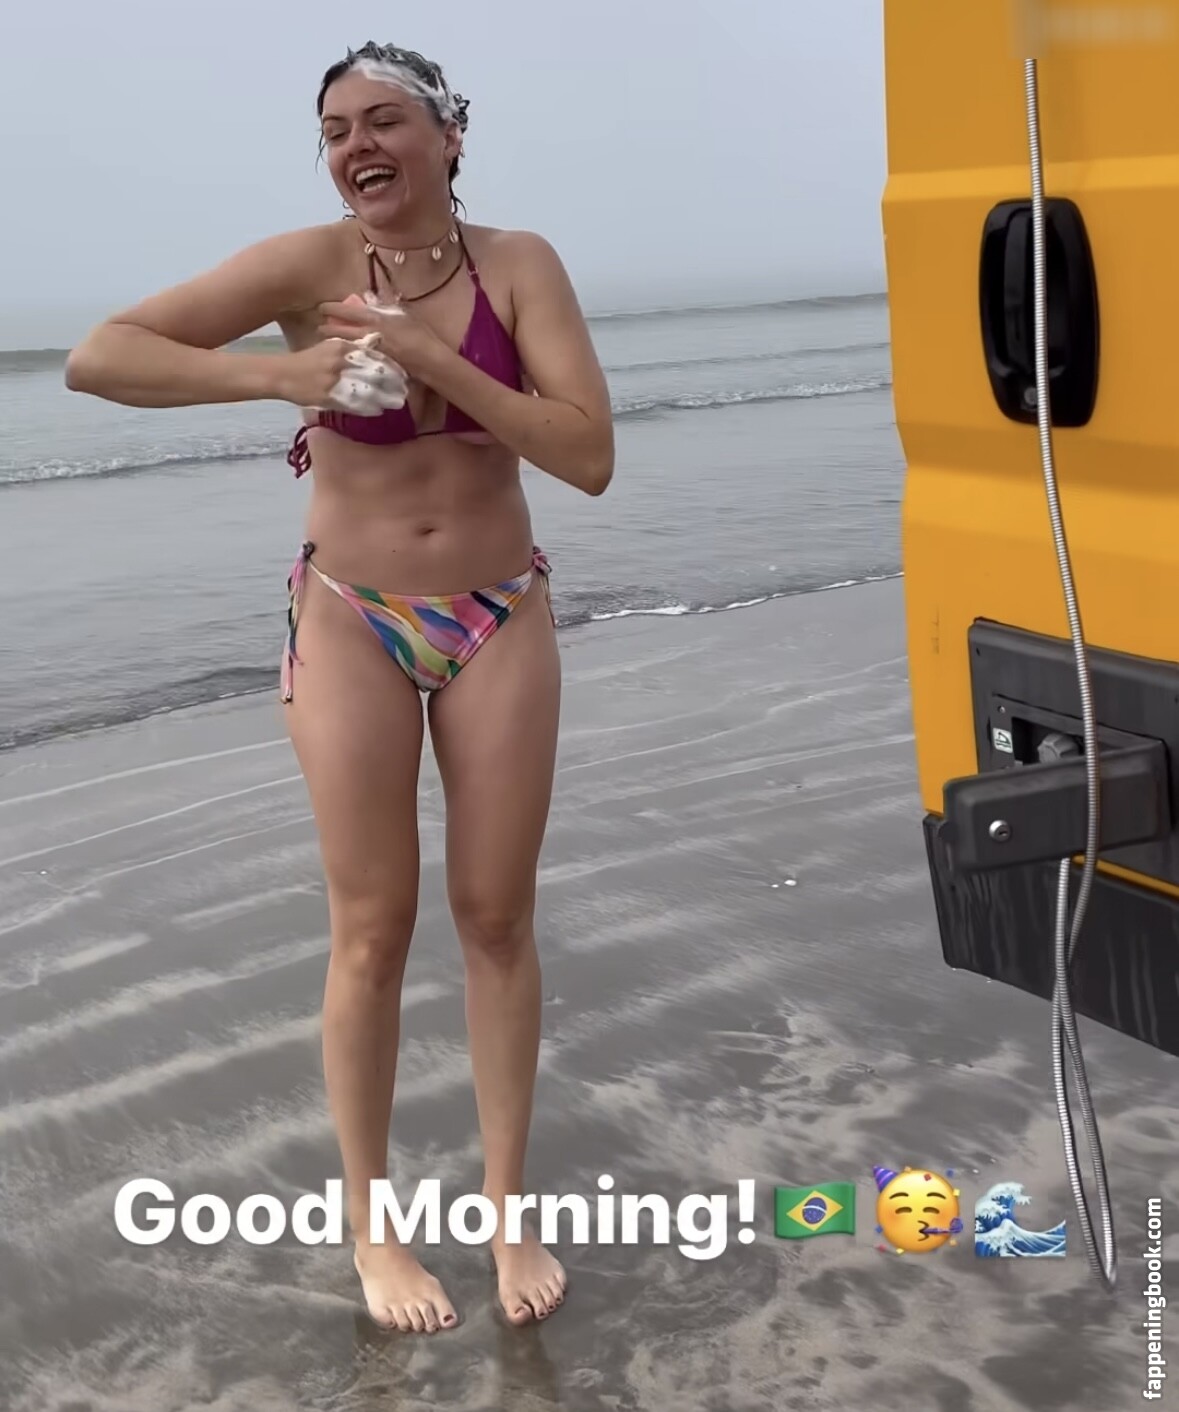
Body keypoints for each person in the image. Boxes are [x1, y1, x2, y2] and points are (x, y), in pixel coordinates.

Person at [65, 40, 615, 1334]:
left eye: (383, 120)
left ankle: (508, 1210)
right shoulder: (309, 266)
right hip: (352, 616)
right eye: (333, 130)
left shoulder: (521, 268)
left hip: (498, 613)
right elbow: (101, 355)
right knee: (372, 926)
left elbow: (587, 453)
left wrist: (437, 358)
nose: (356, 145)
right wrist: (279, 373)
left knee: (497, 919)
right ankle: (375, 1230)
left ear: (450, 136)